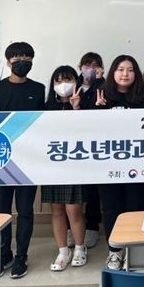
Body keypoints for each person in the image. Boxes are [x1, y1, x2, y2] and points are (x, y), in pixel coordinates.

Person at [0, 42, 45, 279]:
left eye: (27, 58)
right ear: (8, 61)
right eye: (17, 58)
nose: (22, 61)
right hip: (0, 161)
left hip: (28, 162)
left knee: (25, 211)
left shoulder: (39, 89)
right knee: (1, 211)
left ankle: (22, 256)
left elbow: (43, 123)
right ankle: (4, 255)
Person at [95, 55, 144, 270]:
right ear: (113, 72)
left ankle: (133, 250)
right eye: (121, 69)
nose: (125, 74)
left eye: (130, 70)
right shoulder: (100, 95)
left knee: (136, 206)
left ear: (136, 74)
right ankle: (114, 251)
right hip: (108, 166)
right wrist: (96, 108)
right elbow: (85, 129)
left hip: (137, 166)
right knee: (111, 208)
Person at [42, 66, 87, 271]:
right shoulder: (46, 107)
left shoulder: (84, 104)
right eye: (58, 81)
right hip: (52, 165)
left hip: (75, 165)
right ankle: (62, 251)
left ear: (76, 82)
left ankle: (79, 248)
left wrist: (76, 108)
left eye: (68, 80)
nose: (63, 84)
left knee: (74, 209)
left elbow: (87, 131)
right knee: (57, 209)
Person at [68, 51, 104, 249]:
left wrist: (98, 83)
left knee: (93, 191)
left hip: (97, 145)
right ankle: (72, 228)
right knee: (75, 189)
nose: (90, 68)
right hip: (75, 145)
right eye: (87, 65)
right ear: (80, 67)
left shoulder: (104, 86)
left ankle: (92, 227)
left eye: (95, 65)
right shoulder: (73, 86)